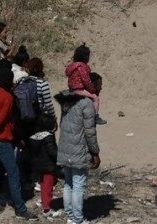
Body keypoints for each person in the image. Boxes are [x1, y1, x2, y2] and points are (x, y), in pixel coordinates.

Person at [0, 68, 38, 220]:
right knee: (13, 173)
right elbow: (1, 120)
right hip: (2, 140)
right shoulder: (7, 97)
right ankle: (20, 208)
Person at [55, 81, 101, 224]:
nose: (100, 87)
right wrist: (95, 152)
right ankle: (78, 219)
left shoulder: (67, 100)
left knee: (68, 184)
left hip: (65, 147)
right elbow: (90, 132)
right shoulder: (86, 103)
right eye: (98, 84)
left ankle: (70, 216)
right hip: (80, 149)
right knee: (78, 186)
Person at [29, 113, 61, 219]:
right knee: (48, 187)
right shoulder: (48, 137)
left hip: (40, 166)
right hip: (48, 166)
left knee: (43, 186)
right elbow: (53, 152)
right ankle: (47, 209)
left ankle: (44, 202)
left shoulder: (36, 136)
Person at [65, 44, 105, 125]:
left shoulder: (72, 66)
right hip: (79, 89)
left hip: (71, 89)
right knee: (95, 98)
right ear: (86, 57)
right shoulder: (82, 67)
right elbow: (86, 80)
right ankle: (95, 117)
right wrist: (92, 90)